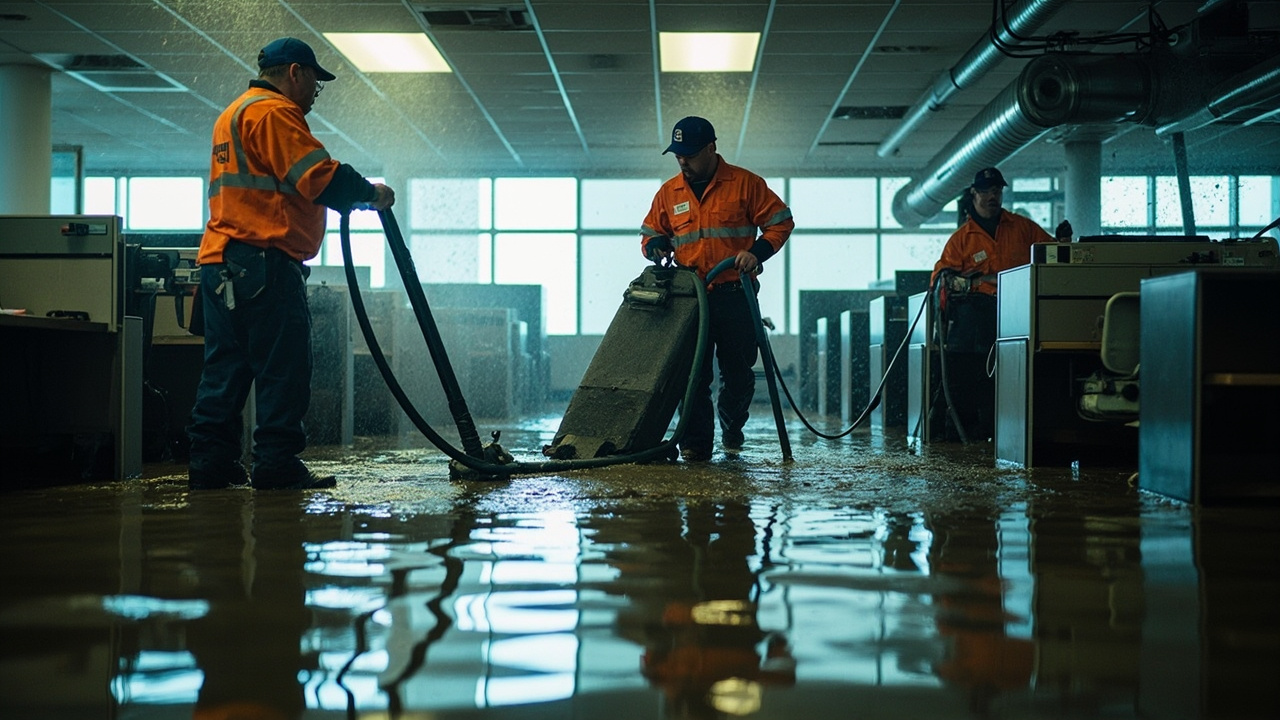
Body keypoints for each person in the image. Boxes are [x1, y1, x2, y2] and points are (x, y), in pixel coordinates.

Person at [187, 37, 395, 491]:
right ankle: (277, 464)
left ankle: (210, 463)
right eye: (315, 83)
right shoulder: (275, 112)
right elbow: (317, 176)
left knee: (227, 368)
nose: (315, 94)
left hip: (222, 262)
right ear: (295, 72)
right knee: (284, 367)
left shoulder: (234, 113)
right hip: (263, 262)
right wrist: (371, 194)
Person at [640, 116, 794, 462]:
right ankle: (695, 446)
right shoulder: (669, 192)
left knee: (738, 375)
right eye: (678, 155)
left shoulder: (746, 184)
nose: (683, 161)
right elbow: (650, 232)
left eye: (690, 154)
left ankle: (732, 426)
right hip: (690, 298)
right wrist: (656, 246)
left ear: (711, 148)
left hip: (734, 295)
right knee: (692, 375)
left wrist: (755, 253)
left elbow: (780, 222)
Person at [931, 166, 1069, 294]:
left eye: (996, 191)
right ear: (974, 193)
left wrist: (1063, 243)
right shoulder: (961, 240)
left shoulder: (1024, 228)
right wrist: (974, 283)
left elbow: (1053, 257)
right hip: (977, 310)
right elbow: (940, 281)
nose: (992, 196)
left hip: (1021, 304)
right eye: (985, 191)